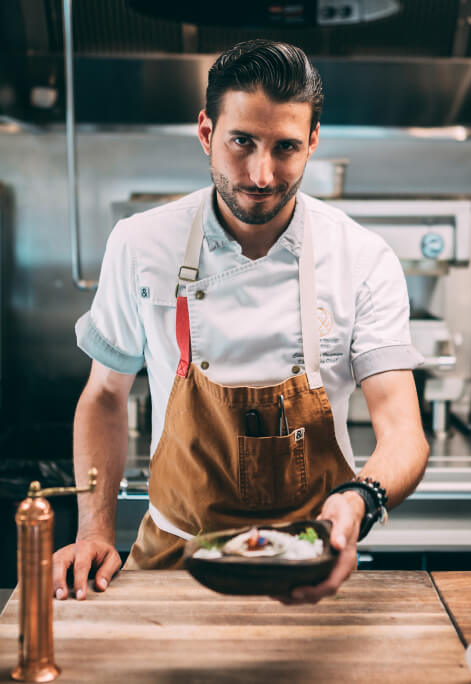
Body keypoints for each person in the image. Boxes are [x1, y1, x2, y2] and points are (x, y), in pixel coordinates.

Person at [53, 39, 429, 605]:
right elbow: (105, 395)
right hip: (171, 563)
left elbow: (403, 431)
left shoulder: (361, 256)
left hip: (312, 561)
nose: (260, 174)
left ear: (313, 143)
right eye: (242, 142)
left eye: (285, 148)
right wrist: (94, 531)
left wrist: (359, 502)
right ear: (206, 132)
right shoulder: (139, 243)